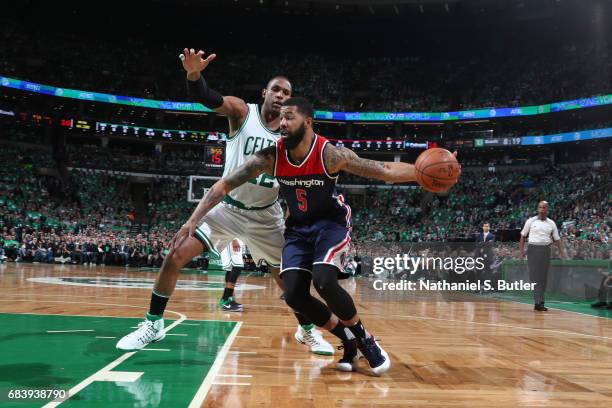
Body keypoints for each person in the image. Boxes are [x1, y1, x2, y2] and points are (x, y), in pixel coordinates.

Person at [169, 97, 450, 375]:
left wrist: (424, 174)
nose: (282, 122)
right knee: (293, 295)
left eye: (289, 116)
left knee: (325, 280)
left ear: (308, 121)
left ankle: (365, 339)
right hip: (299, 228)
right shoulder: (271, 156)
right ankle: (347, 340)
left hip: (330, 224)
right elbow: (224, 185)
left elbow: (384, 170)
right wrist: (193, 219)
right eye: (281, 117)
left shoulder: (330, 154)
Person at [117, 49, 332, 356]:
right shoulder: (243, 112)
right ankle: (153, 324)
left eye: (287, 93)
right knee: (176, 253)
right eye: (276, 89)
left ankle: (307, 330)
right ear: (265, 93)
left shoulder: (293, 134)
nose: (281, 95)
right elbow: (208, 97)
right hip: (226, 207)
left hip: (266, 215)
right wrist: (194, 75)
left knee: (289, 282)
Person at [519, 201, 566, 311]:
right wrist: (521, 252)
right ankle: (538, 302)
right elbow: (522, 237)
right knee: (535, 276)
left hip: (545, 250)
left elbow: (557, 239)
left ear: (547, 209)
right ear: (537, 209)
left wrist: (562, 253)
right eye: (540, 207)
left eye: (544, 207)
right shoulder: (530, 221)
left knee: (543, 277)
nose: (542, 209)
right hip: (533, 249)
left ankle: (540, 302)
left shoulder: (551, 223)